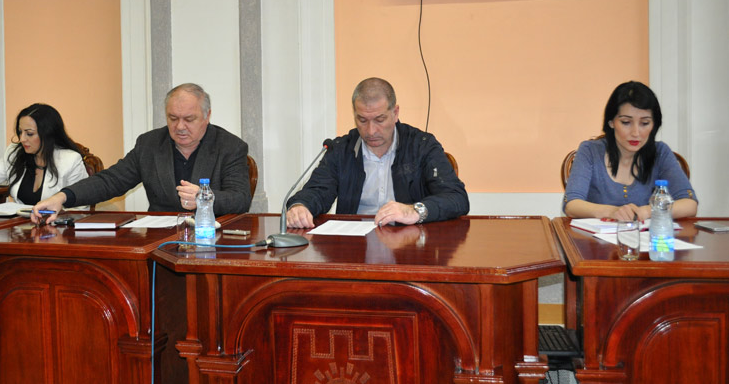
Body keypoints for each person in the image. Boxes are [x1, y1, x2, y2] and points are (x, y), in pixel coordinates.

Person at [32, 83, 252, 223]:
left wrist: (203, 197)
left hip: (213, 238)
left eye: (189, 119)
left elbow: (240, 199)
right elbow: (111, 180)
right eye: (173, 118)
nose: (180, 127)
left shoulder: (230, 146)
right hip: (159, 241)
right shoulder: (150, 144)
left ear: (207, 116)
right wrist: (62, 197)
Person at [286, 77, 469, 228]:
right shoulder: (341, 149)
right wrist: (301, 206)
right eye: (362, 120)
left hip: (409, 245)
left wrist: (414, 210)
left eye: (379, 120)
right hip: (354, 248)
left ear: (395, 113)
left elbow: (457, 198)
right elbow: (317, 191)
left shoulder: (422, 145)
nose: (371, 131)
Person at [564, 81, 698, 220]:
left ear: (654, 125)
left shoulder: (660, 153)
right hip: (598, 234)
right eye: (626, 122)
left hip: (646, 234)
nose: (635, 133)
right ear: (611, 122)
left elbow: (689, 205)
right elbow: (572, 205)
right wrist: (613, 212)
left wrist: (647, 211)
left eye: (644, 123)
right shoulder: (590, 151)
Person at [0, 103, 88, 206]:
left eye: (29, 134)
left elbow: (82, 208)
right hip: (19, 227)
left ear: (48, 134)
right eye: (20, 132)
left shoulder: (70, 160)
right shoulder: (14, 153)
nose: (22, 139)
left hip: (56, 226)